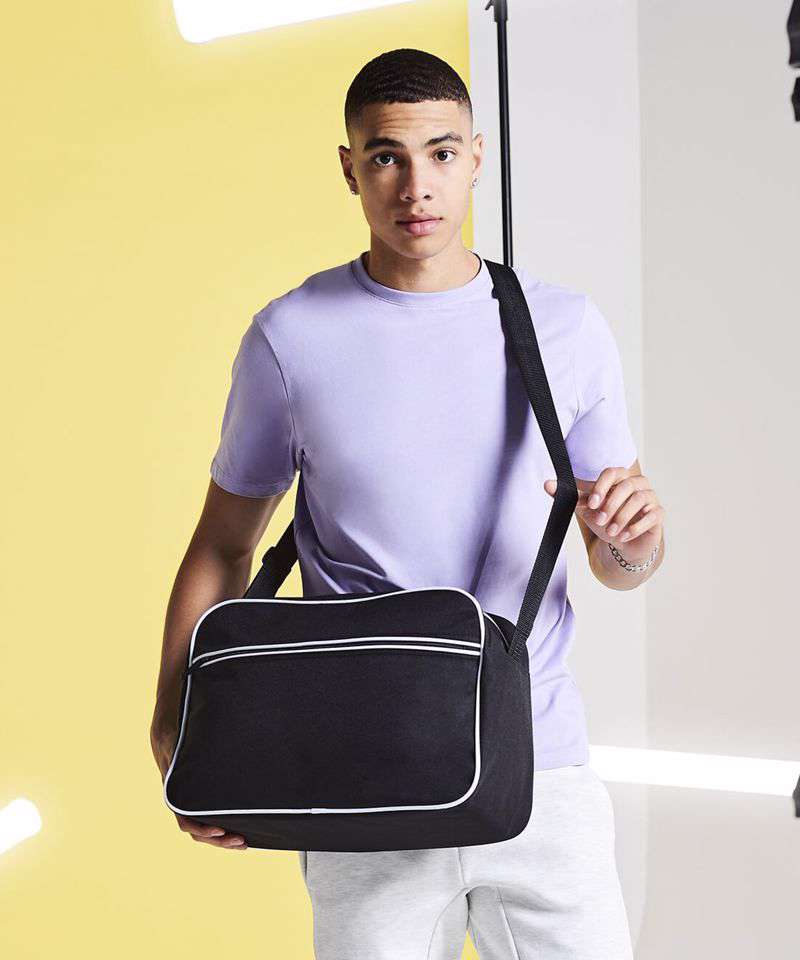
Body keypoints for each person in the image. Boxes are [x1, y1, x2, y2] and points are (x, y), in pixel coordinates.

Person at [150, 47, 664, 960]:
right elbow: (225, 545)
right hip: (362, 777)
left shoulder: (565, 328)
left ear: (476, 157)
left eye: (441, 153)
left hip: (542, 767)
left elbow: (621, 566)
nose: (416, 185)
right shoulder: (291, 337)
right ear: (350, 168)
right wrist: (177, 718)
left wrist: (632, 538)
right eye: (387, 156)